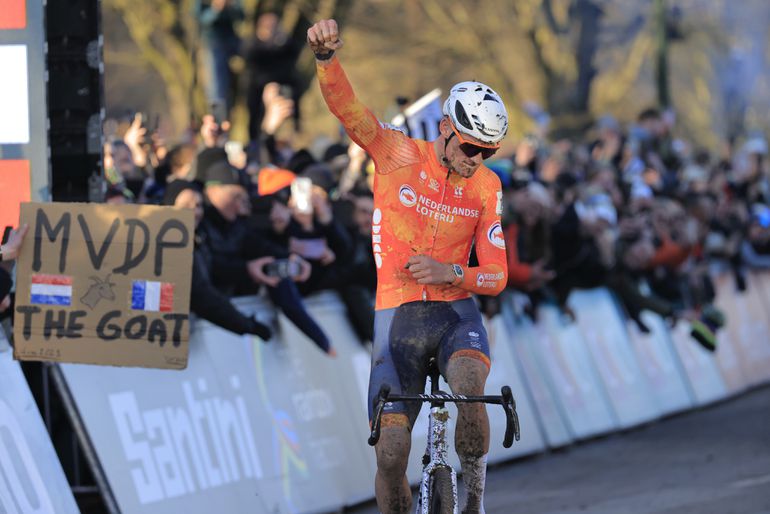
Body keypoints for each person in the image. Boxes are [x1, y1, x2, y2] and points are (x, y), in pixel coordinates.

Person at [308, 19, 508, 513]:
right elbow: (350, 113)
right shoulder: (398, 154)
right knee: (392, 455)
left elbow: (498, 274)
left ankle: (474, 497)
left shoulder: (487, 187)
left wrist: (453, 274)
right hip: (395, 318)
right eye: (470, 147)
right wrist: (327, 62)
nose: (476, 159)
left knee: (469, 387)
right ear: (445, 129)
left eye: (489, 151)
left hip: (454, 315)